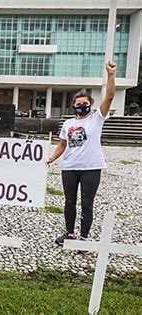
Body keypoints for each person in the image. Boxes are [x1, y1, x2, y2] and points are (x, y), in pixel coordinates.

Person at [47, 60, 117, 246]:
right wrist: (52, 158)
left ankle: (84, 238)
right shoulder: (68, 124)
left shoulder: (97, 118)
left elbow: (109, 97)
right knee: (69, 202)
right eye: (79, 104)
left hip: (92, 167)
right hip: (70, 167)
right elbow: (63, 144)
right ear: (73, 106)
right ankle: (69, 233)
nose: (82, 106)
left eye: (85, 103)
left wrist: (110, 75)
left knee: (87, 203)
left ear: (90, 104)